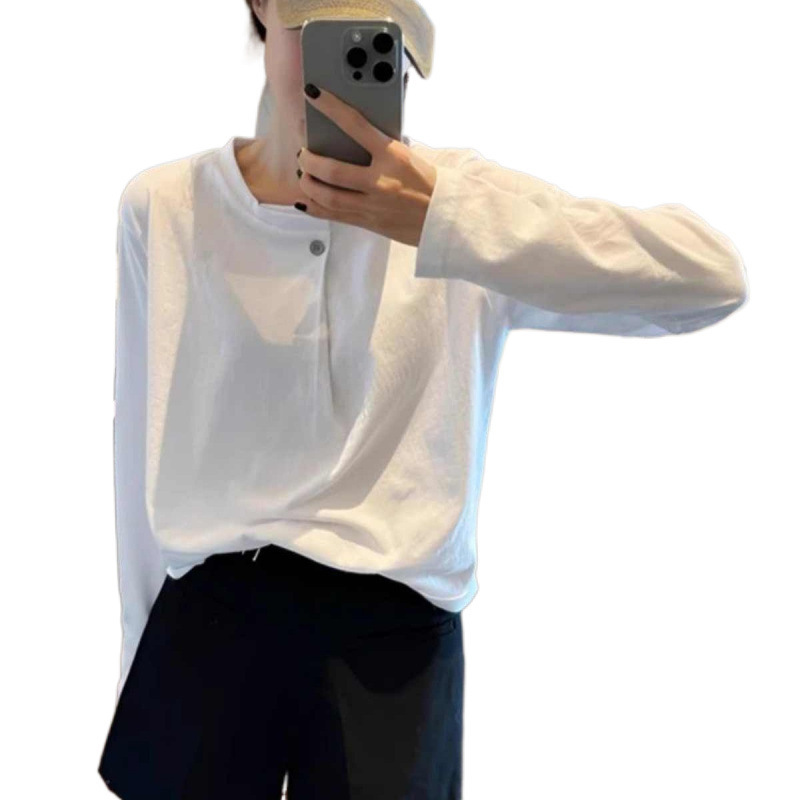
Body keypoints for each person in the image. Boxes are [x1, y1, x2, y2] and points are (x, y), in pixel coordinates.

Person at [97, 1, 750, 798]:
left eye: (371, 27)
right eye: (317, 21)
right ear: (261, 5)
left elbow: (710, 278)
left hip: (393, 653)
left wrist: (448, 218)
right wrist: (137, 664)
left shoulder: (461, 208)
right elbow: (140, 450)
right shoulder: (165, 206)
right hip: (205, 635)